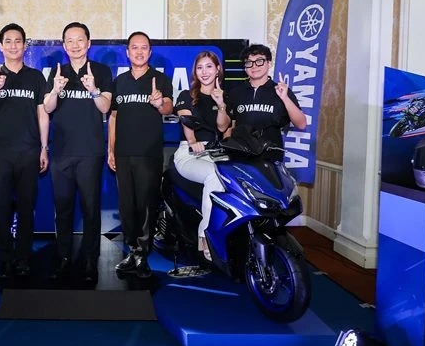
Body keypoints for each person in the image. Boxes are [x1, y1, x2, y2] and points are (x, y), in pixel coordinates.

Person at [42, 21, 114, 282]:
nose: (75, 45)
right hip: (61, 152)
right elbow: (47, 108)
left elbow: (105, 107)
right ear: (64, 45)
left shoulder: (101, 71)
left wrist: (93, 90)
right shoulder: (57, 72)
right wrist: (55, 90)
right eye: (69, 41)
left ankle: (90, 260)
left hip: (90, 152)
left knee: (91, 209)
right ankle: (63, 257)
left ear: (88, 43)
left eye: (79, 39)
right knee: (62, 208)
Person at [0, 23, 49, 278]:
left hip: (29, 150)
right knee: (0, 207)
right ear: (0, 46)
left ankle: (23, 256)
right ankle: (5, 257)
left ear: (24, 45)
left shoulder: (36, 77)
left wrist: (43, 147)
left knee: (26, 206)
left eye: (17, 41)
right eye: (7, 41)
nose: (13, 45)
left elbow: (43, 114)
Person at [107, 31, 173, 278]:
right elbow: (113, 117)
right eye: (134, 47)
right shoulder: (119, 82)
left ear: (150, 52)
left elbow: (168, 108)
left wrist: (159, 103)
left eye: (144, 47)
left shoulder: (160, 79)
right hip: (123, 153)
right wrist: (111, 149)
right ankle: (132, 250)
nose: (139, 51)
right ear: (127, 52)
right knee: (127, 206)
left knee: (146, 204)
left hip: (149, 153)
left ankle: (143, 254)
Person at [172, 50, 231, 261]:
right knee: (215, 176)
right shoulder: (186, 95)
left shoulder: (224, 96)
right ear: (195, 72)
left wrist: (221, 104)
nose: (204, 72)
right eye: (200, 67)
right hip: (190, 153)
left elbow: (223, 128)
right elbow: (186, 122)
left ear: (217, 69)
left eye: (209, 66)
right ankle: (205, 236)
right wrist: (193, 142)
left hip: (216, 153)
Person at [225, 43, 307, 156]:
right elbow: (226, 125)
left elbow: (302, 124)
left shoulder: (281, 90)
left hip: (270, 155)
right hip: (240, 154)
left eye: (259, 61)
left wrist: (285, 98)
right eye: (249, 62)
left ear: (269, 63)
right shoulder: (236, 92)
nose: (254, 66)